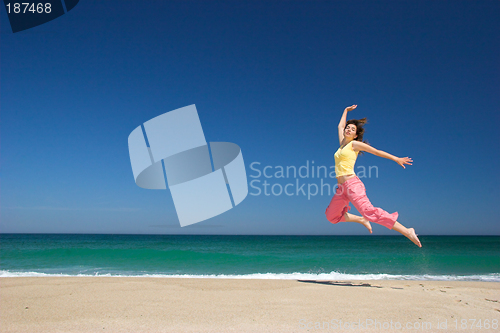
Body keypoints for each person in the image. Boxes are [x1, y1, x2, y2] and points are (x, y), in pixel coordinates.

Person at [325, 105, 422, 247]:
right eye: (348, 127)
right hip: (341, 189)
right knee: (331, 216)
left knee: (369, 211)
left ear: (355, 135)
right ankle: (361, 220)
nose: (348, 129)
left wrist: (396, 159)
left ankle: (407, 231)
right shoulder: (341, 145)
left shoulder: (354, 145)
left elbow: (376, 151)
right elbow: (339, 126)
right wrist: (345, 111)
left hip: (352, 185)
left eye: (352, 129)